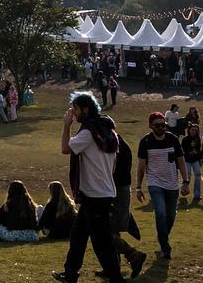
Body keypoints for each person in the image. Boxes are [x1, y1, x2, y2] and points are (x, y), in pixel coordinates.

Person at [52, 92, 128, 283]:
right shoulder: (109, 131)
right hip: (102, 191)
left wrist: (66, 125)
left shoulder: (88, 133)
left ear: (86, 109)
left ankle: (116, 277)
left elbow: (65, 148)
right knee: (78, 235)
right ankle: (70, 273)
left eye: (76, 109)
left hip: (95, 194)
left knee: (101, 241)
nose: (74, 113)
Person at [135, 110, 187, 260]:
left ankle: (162, 237)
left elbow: (181, 161)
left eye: (163, 125)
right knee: (161, 212)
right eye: (157, 125)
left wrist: (185, 181)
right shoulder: (145, 142)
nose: (161, 128)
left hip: (172, 183)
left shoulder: (173, 139)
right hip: (154, 183)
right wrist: (138, 187)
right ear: (150, 126)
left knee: (170, 216)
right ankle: (165, 247)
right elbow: (141, 166)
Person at [181, 122, 203, 203]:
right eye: (192, 130)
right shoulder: (185, 139)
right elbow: (182, 150)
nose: (194, 131)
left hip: (195, 160)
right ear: (189, 130)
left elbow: (199, 150)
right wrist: (189, 152)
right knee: (187, 176)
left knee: (198, 175)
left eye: (195, 130)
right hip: (187, 160)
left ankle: (197, 195)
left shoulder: (198, 139)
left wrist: (200, 158)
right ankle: (183, 190)